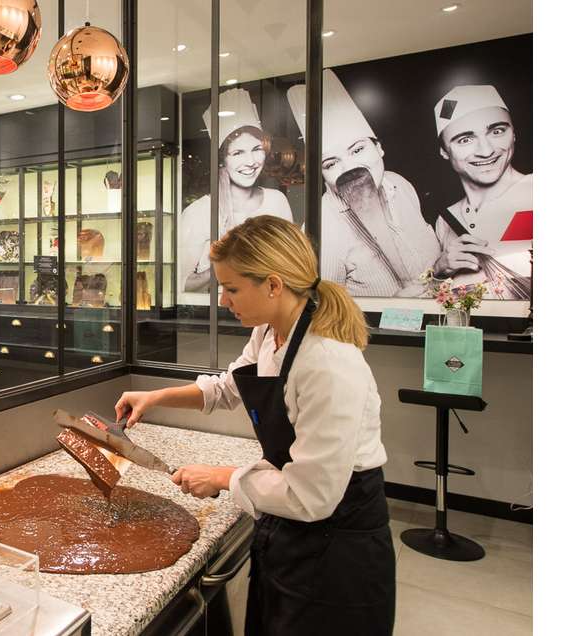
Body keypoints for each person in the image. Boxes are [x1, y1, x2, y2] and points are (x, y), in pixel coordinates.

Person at [116, 215, 395, 634]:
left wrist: (224, 477)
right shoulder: (270, 331)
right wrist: (154, 398)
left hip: (339, 543)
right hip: (290, 525)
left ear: (274, 284)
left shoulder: (328, 363)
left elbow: (312, 497)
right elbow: (230, 388)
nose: (224, 300)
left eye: (231, 289)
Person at [288, 69, 440, 297]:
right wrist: (392, 306)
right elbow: (317, 309)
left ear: (378, 147)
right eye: (330, 163)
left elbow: (422, 267)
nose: (349, 167)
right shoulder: (321, 227)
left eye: (358, 149)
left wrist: (441, 267)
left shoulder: (399, 185)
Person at [179, 88, 294, 302]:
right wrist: (221, 267)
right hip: (221, 314)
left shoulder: (277, 201)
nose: (250, 162)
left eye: (256, 149)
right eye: (238, 153)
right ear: (223, 160)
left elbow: (291, 266)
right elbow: (180, 285)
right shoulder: (198, 212)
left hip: (272, 310)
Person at [432, 85, 532, 299]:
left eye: (497, 131)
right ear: (444, 152)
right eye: (465, 139)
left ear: (514, 134)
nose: (486, 151)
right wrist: (440, 269)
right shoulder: (445, 221)